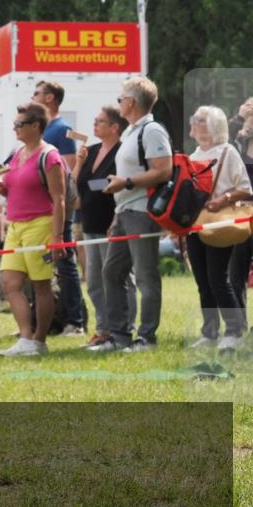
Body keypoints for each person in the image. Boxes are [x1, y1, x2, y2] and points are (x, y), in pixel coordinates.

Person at [91, 76, 173, 353]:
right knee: (112, 271)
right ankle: (119, 336)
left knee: (145, 276)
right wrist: (119, 195)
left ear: (131, 102)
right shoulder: (129, 132)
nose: (119, 103)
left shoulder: (151, 131)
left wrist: (125, 183)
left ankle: (146, 338)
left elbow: (164, 171)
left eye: (120, 99)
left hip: (142, 211)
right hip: (124, 210)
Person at [0, 103, 67, 357]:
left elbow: (59, 198)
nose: (14, 128)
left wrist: (58, 237)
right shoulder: (17, 153)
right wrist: (1, 189)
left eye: (19, 124)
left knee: (41, 285)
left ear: (36, 126)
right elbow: (13, 185)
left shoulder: (50, 155)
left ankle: (39, 340)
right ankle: (25, 338)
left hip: (41, 225)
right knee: (10, 283)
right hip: (15, 225)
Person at [187, 105, 252, 350]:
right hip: (195, 225)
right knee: (202, 280)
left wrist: (223, 200)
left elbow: (245, 188)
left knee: (217, 278)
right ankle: (210, 330)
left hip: (220, 222)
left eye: (199, 119)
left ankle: (234, 330)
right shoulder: (192, 157)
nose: (193, 122)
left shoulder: (228, 152)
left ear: (213, 125)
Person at [72, 106, 135, 348]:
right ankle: (103, 329)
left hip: (113, 223)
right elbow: (76, 184)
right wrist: (79, 162)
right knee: (95, 281)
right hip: (89, 223)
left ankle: (124, 328)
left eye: (99, 121)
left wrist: (115, 222)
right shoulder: (91, 151)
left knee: (118, 279)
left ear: (114, 127)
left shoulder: (122, 151)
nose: (94, 124)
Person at [31, 80, 86, 335]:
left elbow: (69, 167)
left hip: (58, 204)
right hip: (41, 206)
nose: (32, 97)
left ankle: (75, 321)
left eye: (37, 93)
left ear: (50, 98)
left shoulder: (62, 129)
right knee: (41, 265)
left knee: (64, 262)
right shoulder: (43, 129)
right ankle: (48, 319)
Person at [229, 97, 253, 325]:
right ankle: (237, 326)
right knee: (235, 273)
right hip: (240, 215)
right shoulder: (238, 143)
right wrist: (238, 121)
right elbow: (220, 145)